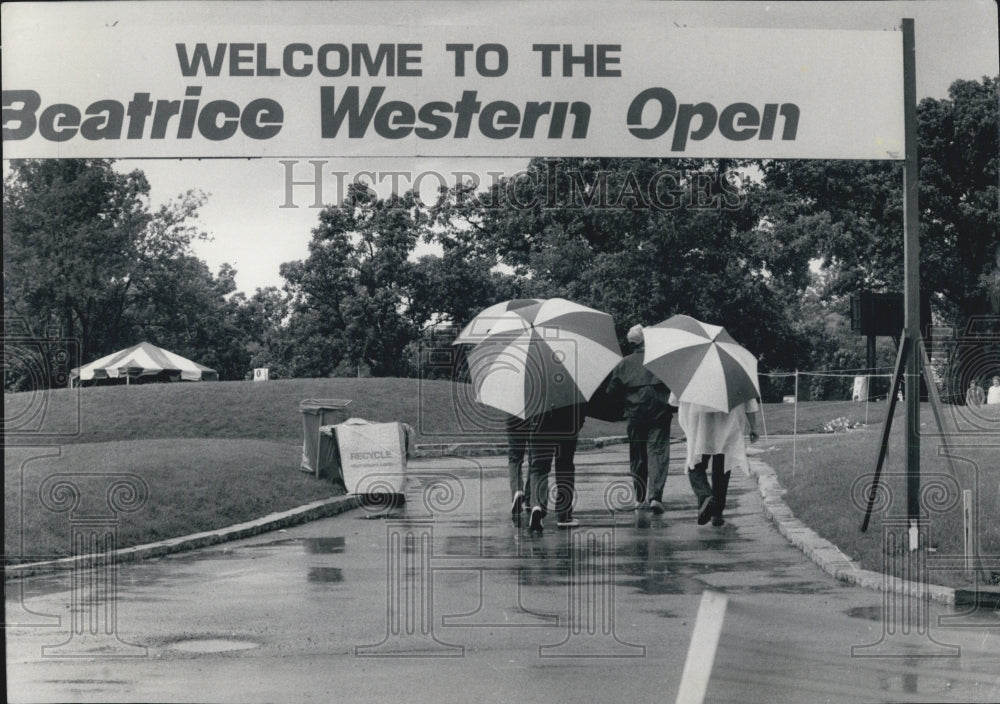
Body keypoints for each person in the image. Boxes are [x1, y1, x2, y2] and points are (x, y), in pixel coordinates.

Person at [605, 324, 675, 514]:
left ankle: (639, 497)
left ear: (632, 343)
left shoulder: (624, 363)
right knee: (657, 453)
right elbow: (674, 385)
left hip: (635, 415)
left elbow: (612, 391)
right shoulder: (660, 361)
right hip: (659, 413)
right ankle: (655, 496)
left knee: (637, 455)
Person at [672, 393, 761, 527]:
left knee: (695, 463)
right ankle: (717, 512)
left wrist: (686, 423)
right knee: (722, 466)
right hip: (727, 419)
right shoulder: (735, 372)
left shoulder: (691, 373)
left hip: (699, 420)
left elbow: (675, 399)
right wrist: (753, 426)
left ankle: (705, 496)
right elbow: (749, 400)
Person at [527, 403, 586, 532]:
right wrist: (578, 424)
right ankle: (563, 515)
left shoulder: (536, 383)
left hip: (540, 424)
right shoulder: (572, 384)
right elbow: (581, 407)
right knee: (565, 467)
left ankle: (537, 506)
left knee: (538, 469)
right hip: (567, 425)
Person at [505, 413, 534, 520]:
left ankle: (516, 490)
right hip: (535, 417)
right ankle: (530, 498)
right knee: (534, 457)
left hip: (514, 416)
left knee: (515, 458)